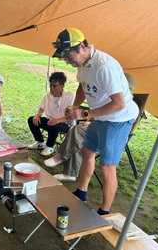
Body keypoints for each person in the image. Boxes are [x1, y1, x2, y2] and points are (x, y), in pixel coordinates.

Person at [52, 28, 139, 215]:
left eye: (68, 56)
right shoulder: (83, 63)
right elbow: (82, 87)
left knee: (107, 166)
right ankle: (81, 192)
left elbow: (119, 104)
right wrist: (75, 107)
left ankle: (105, 211)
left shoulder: (104, 66)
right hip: (100, 115)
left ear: (82, 46)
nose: (67, 60)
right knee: (87, 151)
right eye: (64, 57)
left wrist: (86, 114)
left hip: (117, 119)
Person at [44, 73, 137, 182]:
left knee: (79, 138)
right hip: (97, 129)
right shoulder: (111, 99)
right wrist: (91, 123)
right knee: (76, 131)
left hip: (109, 137)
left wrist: (94, 125)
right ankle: (67, 170)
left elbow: (115, 125)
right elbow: (101, 114)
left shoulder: (128, 107)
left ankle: (65, 163)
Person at [27, 72, 75, 156]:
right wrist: (37, 115)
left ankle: (49, 146)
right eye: (50, 85)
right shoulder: (47, 96)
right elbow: (41, 108)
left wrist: (58, 120)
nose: (52, 88)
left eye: (54, 86)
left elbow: (71, 116)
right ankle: (40, 142)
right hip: (50, 120)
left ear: (62, 85)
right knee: (31, 120)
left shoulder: (70, 96)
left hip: (64, 123)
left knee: (54, 125)